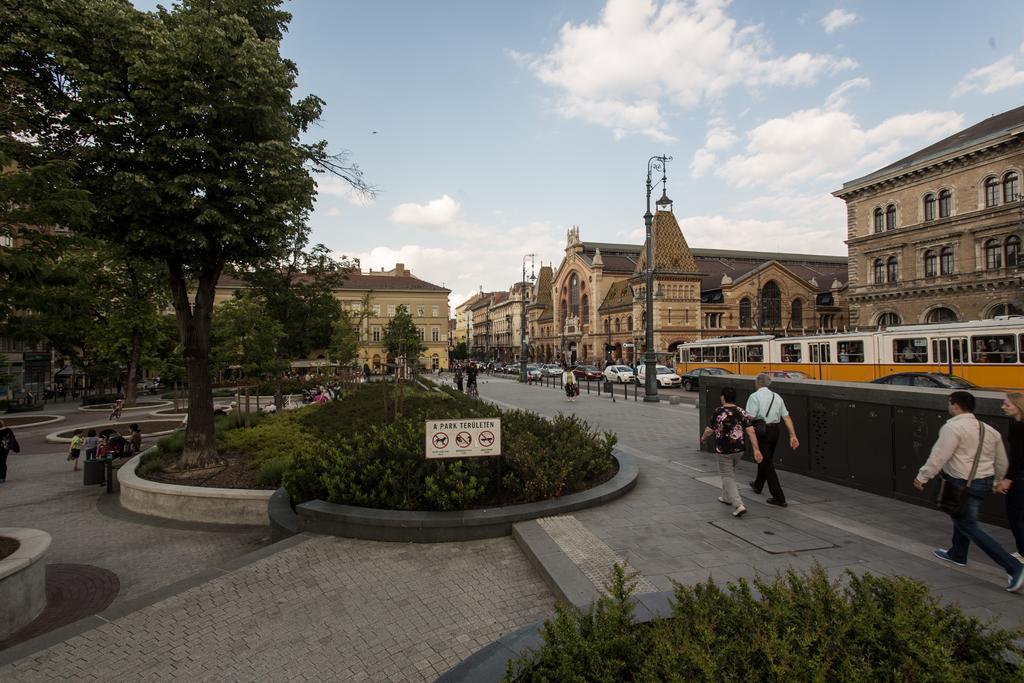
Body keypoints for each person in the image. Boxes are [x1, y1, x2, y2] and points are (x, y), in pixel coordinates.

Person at [914, 391, 1023, 592]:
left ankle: (1014, 568)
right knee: (962, 514)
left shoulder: (952, 427)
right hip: (983, 483)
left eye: (950, 403)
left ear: (955, 406)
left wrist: (923, 476)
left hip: (960, 483)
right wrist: (999, 480)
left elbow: (939, 455)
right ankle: (958, 553)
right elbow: (1002, 460)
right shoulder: (989, 430)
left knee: (969, 524)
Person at [700, 387, 763, 518]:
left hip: (724, 450)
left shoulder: (719, 411)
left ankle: (738, 504)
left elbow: (709, 430)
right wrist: (756, 450)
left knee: (727, 475)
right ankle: (726, 497)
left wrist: (703, 438)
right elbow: (751, 432)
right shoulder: (742, 412)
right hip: (739, 449)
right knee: (729, 472)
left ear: (723, 397)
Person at [746, 374, 800, 507]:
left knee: (767, 462)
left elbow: (750, 416)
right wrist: (793, 435)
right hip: (775, 431)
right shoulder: (777, 397)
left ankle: (779, 497)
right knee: (766, 458)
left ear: (757, 383)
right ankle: (758, 484)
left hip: (762, 431)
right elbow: (786, 417)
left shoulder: (754, 397)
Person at [999, 392, 1024, 562]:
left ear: (1018, 407)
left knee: (1015, 514)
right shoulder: (1015, 424)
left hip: (1020, 477)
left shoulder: (1017, 427)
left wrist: (1008, 478)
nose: (1003, 407)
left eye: (1007, 404)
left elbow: (1017, 457)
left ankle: (1023, 553)